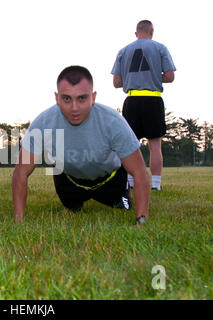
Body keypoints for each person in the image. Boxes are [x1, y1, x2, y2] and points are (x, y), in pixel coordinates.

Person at [12, 66, 150, 224]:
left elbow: (139, 172)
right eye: (67, 99)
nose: (74, 108)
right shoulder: (43, 123)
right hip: (70, 180)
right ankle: (75, 198)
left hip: (110, 180)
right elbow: (21, 172)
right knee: (72, 208)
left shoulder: (113, 122)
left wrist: (142, 219)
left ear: (93, 97)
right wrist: (18, 221)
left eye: (82, 98)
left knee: (122, 205)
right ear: (57, 98)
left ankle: (122, 192)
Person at [111, 20, 176, 191]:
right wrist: (153, 76)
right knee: (155, 144)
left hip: (131, 101)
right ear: (152, 31)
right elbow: (170, 76)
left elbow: (116, 82)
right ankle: (155, 185)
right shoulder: (160, 48)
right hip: (153, 100)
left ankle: (131, 183)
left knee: (131, 145)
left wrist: (134, 78)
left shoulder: (123, 51)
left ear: (136, 33)